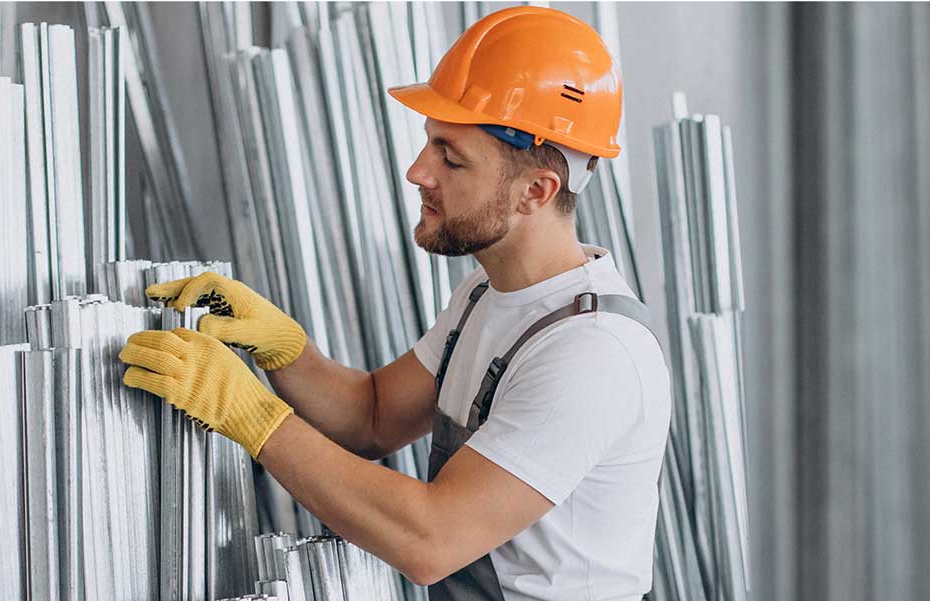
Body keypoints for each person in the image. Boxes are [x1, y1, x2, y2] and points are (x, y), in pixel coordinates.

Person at [119, 6, 670, 600]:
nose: (417, 172)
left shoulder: (592, 352)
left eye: (450, 158)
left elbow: (431, 540)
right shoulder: (487, 295)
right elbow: (373, 417)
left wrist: (251, 417)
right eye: (429, 145)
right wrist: (284, 350)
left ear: (536, 191)